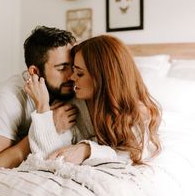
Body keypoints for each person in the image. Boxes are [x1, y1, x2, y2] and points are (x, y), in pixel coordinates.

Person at [27, 35, 162, 165]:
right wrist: (43, 108)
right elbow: (50, 159)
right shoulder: (71, 108)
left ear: (103, 78)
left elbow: (135, 154)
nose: (72, 78)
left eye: (79, 73)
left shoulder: (137, 111)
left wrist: (87, 150)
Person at [0, 26, 94, 170]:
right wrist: (48, 126)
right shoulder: (11, 96)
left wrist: (86, 149)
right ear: (34, 71)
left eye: (73, 66)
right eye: (62, 68)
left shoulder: (79, 86)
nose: (72, 75)